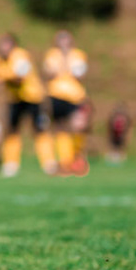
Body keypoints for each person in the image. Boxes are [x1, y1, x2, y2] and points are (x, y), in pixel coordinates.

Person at [0, 34, 51, 177]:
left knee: (39, 129)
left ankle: (48, 163)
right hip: (14, 99)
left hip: (33, 97)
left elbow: (18, 78)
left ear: (13, 46)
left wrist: (4, 77)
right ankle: (11, 163)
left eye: (6, 45)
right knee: (12, 130)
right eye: (1, 45)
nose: (3, 48)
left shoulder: (22, 56)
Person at [41, 29, 89, 177]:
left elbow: (80, 74)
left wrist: (66, 64)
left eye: (66, 39)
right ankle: (65, 162)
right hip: (56, 95)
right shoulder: (52, 55)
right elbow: (48, 73)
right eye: (61, 39)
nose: (63, 42)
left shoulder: (78, 55)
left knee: (78, 126)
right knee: (60, 127)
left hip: (75, 96)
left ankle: (77, 157)